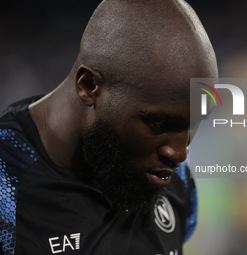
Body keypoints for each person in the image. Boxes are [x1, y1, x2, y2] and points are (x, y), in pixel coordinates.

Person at [0, 0, 218, 254]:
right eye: (160, 124)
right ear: (89, 86)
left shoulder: (175, 180)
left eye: (193, 124)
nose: (179, 153)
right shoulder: (7, 183)